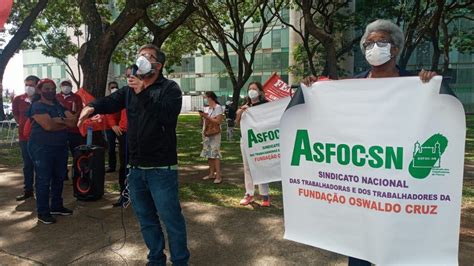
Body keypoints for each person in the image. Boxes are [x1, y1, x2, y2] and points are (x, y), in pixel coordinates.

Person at [302, 19, 439, 266]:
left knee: (397, 252)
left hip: (398, 187)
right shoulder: (353, 85)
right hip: (362, 188)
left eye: (381, 42)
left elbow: (442, 117)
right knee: (360, 254)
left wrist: (432, 87)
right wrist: (313, 90)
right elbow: (328, 121)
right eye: (369, 43)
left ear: (395, 49)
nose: (373, 48)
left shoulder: (416, 85)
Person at [78, 44, 190, 265]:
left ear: (158, 64)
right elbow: (110, 101)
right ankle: (156, 258)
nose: (142, 59)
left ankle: (180, 261)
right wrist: (91, 107)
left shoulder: (170, 89)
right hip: (136, 169)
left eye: (148, 56)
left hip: (161, 169)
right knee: (146, 220)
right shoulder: (129, 90)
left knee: (171, 219)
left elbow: (167, 117)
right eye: (140, 55)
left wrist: (143, 92)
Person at [28, 79, 77, 224]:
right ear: (39, 90)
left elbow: (73, 121)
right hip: (41, 148)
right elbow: (48, 126)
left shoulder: (58, 105)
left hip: (60, 146)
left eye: (53, 88)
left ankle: (56, 206)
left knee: (59, 177)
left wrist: (58, 120)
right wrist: (63, 122)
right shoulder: (37, 106)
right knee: (43, 180)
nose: (50, 91)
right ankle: (43, 212)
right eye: (47, 88)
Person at [235, 82, 271, 207]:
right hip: (246, 140)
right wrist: (240, 112)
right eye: (250, 89)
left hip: (260, 140)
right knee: (247, 168)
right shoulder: (245, 106)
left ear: (260, 92)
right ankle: (249, 193)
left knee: (262, 165)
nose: (251, 91)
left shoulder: (266, 105)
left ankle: (265, 195)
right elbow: (237, 122)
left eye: (254, 89)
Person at [12, 75, 39, 201]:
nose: (29, 87)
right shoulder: (18, 99)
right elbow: (16, 114)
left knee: (41, 164)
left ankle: (43, 189)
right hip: (24, 137)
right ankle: (28, 190)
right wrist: (23, 125)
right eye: (27, 84)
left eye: (32, 85)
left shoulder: (41, 99)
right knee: (27, 164)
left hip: (40, 137)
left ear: (37, 86)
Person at [56, 80, 84, 180]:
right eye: (64, 85)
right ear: (60, 87)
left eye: (68, 85)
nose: (66, 87)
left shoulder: (76, 97)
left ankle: (76, 174)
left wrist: (71, 119)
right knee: (61, 154)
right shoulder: (56, 97)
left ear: (71, 87)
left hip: (74, 130)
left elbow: (80, 111)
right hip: (60, 130)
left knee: (76, 153)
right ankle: (63, 174)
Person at [199, 91, 224, 184]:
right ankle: (211, 174)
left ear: (210, 98)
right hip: (207, 133)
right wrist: (203, 117)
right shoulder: (208, 108)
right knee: (209, 154)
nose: (205, 99)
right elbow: (206, 121)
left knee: (215, 154)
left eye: (205, 97)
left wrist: (207, 117)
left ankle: (218, 176)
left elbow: (218, 121)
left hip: (215, 134)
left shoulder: (218, 108)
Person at [105, 81, 120, 173]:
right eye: (112, 87)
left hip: (120, 126)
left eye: (115, 87)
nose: (114, 89)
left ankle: (124, 165)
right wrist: (112, 124)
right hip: (109, 127)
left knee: (124, 147)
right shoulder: (107, 99)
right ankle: (112, 166)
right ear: (109, 89)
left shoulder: (122, 99)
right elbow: (107, 114)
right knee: (111, 147)